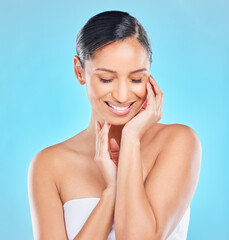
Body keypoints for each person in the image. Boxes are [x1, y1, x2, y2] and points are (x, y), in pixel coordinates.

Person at [28, 10, 202, 240]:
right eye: (107, 79)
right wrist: (110, 193)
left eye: (136, 79)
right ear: (79, 71)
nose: (122, 95)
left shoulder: (178, 142)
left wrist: (131, 139)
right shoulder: (49, 165)